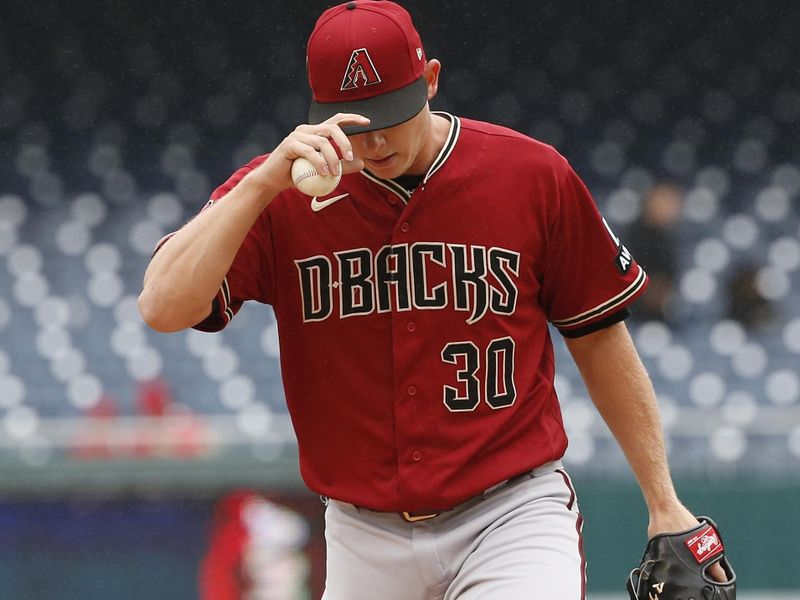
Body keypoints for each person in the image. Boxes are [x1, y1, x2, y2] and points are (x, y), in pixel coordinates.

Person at [138, 1, 728, 597]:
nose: (372, 141)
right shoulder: (280, 196)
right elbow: (162, 307)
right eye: (353, 122)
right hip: (360, 533)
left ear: (430, 80)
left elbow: (598, 335)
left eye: (389, 114)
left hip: (509, 513)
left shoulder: (529, 175)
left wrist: (664, 502)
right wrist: (263, 181)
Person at [626, 182, 683, 323]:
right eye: (663, 201)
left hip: (661, 317)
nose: (668, 208)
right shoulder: (633, 237)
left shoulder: (671, 240)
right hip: (630, 312)